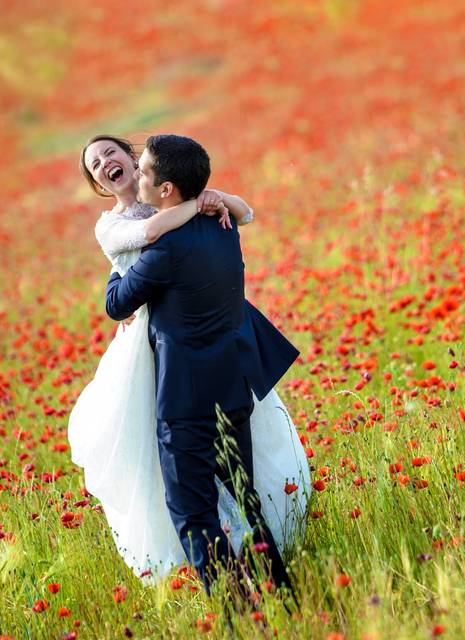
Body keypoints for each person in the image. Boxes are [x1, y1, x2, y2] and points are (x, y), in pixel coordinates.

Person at [68, 134, 310, 589]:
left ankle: (237, 597)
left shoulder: (170, 237)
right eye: (95, 164)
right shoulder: (180, 219)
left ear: (136, 162)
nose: (106, 164)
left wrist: (212, 200)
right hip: (198, 355)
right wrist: (201, 203)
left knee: (191, 493)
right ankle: (273, 583)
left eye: (112, 154)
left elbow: (123, 294)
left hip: (180, 364)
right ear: (97, 183)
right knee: (232, 482)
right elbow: (149, 232)